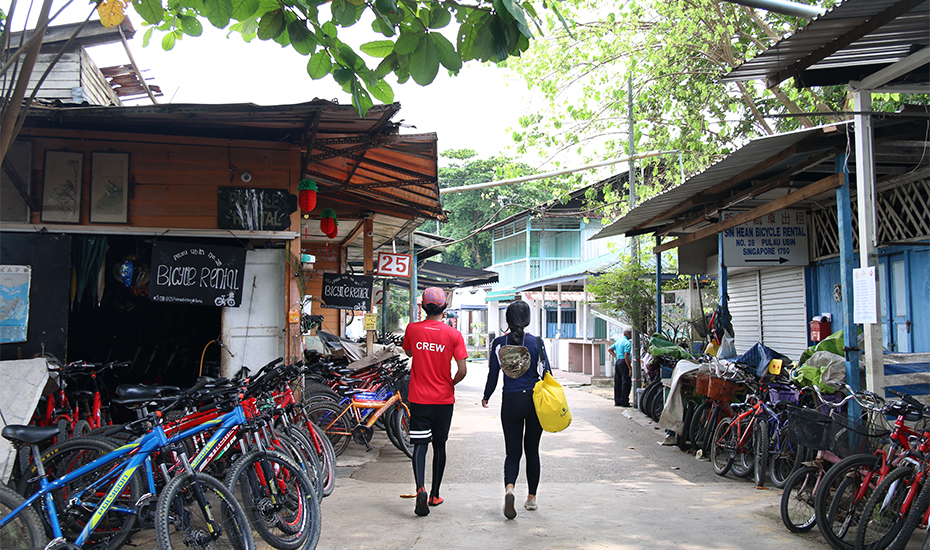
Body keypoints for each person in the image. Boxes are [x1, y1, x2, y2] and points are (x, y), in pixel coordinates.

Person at [402, 287, 468, 517]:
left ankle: (420, 487)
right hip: (443, 400)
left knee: (420, 445)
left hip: (419, 399)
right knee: (440, 445)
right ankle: (434, 494)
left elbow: (409, 352)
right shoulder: (453, 335)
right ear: (445, 308)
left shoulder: (412, 329)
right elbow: (462, 369)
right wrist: (451, 383)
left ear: (423, 307)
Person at [482, 300, 550, 519]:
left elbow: (493, 374)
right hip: (533, 402)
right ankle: (531, 498)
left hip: (510, 401)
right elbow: (547, 373)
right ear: (527, 319)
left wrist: (486, 396)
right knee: (532, 451)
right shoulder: (537, 343)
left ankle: (510, 487)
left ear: (508, 320)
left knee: (512, 452)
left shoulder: (499, 343)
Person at [608, 328, 633, 407]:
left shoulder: (618, 341)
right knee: (626, 382)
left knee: (618, 382)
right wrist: (630, 368)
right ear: (628, 334)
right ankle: (624, 401)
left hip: (618, 362)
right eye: (631, 334)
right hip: (624, 362)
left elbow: (610, 349)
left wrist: (616, 356)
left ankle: (617, 400)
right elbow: (626, 356)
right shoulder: (627, 343)